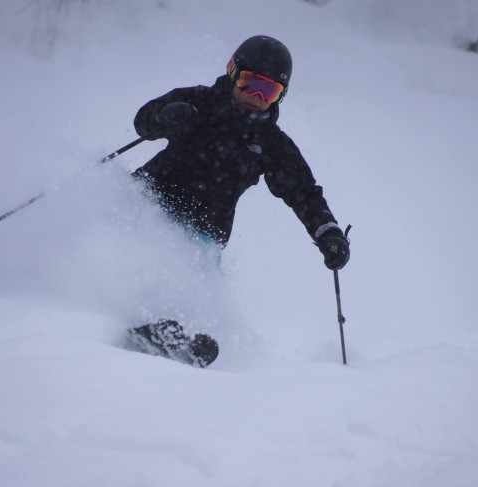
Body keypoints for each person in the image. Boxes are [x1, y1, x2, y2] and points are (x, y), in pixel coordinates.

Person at [128, 35, 350, 366]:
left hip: (203, 235)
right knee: (138, 259)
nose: (257, 97)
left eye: (269, 91)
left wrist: (327, 232)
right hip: (145, 204)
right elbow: (143, 122)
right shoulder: (196, 103)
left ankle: (177, 337)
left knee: (198, 280)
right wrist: (164, 117)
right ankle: (137, 324)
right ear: (233, 73)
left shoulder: (271, 143)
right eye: (250, 84)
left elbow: (303, 191)